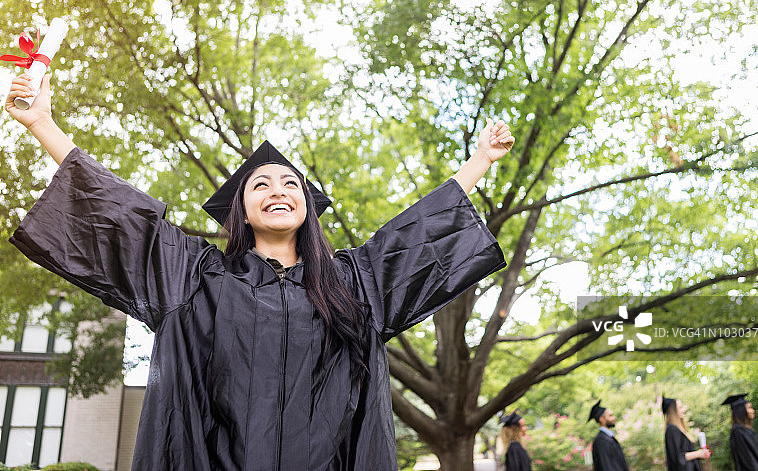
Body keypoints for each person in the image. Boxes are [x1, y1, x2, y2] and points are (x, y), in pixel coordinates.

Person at [4, 72, 514, 470]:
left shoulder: (352, 285)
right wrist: (42, 123)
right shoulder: (192, 277)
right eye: (260, 184)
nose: (278, 189)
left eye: (290, 183)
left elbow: (416, 235)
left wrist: (480, 161)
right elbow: (118, 215)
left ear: (306, 208)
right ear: (242, 211)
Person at [662, 397, 711, 471]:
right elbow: (678, 457)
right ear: (673, 411)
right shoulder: (671, 429)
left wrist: (700, 454)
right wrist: (698, 453)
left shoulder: (678, 429)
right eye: (680, 407)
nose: (684, 410)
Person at [722, 394, 758, 471]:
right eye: (749, 408)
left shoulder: (746, 430)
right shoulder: (738, 431)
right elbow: (748, 460)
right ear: (741, 411)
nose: (753, 410)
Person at [588, 399, 630, 471]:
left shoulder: (608, 438)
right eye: (610, 416)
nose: (614, 418)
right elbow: (607, 467)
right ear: (601, 419)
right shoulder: (601, 441)